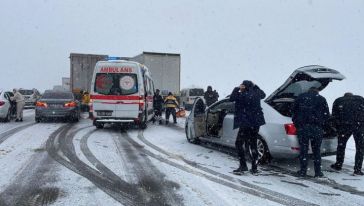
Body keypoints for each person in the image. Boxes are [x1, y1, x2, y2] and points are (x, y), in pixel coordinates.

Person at [229, 80, 266, 175]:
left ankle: (243, 166)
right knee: (253, 144)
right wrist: (255, 86)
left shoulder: (243, 95)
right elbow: (263, 94)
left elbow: (232, 98)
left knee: (238, 143)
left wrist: (237, 88)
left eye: (242, 85)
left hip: (246, 123)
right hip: (255, 123)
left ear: (244, 86)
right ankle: (254, 168)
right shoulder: (256, 93)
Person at [292, 87, 330, 178]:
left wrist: (297, 123)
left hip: (303, 127)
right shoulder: (322, 99)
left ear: (308, 91)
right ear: (317, 91)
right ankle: (318, 172)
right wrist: (322, 124)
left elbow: (293, 111)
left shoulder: (301, 97)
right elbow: (326, 114)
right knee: (316, 150)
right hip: (317, 128)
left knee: (304, 150)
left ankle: (303, 171)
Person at [330, 93, 364, 175]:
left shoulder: (338, 100)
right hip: (359, 126)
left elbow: (334, 116)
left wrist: (336, 128)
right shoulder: (361, 99)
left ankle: (338, 165)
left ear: (344, 96)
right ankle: (357, 169)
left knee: (341, 145)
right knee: (360, 148)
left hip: (344, 126)